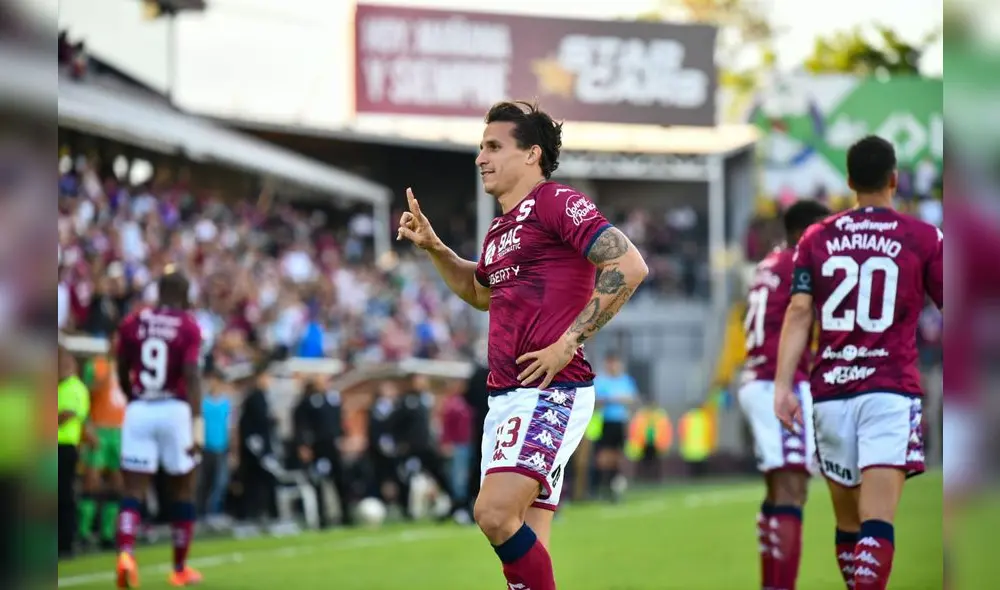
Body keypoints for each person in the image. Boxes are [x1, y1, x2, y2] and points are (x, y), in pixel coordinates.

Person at [396, 100, 648, 589]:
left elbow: (628, 265)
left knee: (492, 513)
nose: (481, 157)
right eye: (479, 147)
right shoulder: (499, 230)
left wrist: (569, 340)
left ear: (532, 154)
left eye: (494, 146)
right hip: (507, 396)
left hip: (551, 389)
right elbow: (478, 293)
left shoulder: (556, 202)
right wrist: (437, 250)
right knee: (526, 540)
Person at [774, 136, 943, 590]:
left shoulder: (816, 236)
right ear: (894, 179)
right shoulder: (924, 236)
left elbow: (798, 311)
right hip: (889, 390)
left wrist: (782, 387)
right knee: (877, 523)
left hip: (831, 394)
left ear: (848, 181)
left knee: (849, 527)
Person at [737, 199, 830, 590]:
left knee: (778, 490)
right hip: (782, 383)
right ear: (807, 232)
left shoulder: (768, 264)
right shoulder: (800, 263)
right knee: (793, 489)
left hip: (756, 379)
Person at [114, 271, 204, 588]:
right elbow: (191, 375)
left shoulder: (133, 321)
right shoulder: (188, 325)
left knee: (133, 490)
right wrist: (197, 424)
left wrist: (131, 395)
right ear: (185, 294)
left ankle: (126, 553)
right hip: (175, 408)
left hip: (140, 407)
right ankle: (179, 568)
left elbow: (121, 365)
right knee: (183, 488)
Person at [78, 352, 127, 551]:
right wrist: (107, 375)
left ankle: (108, 534)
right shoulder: (95, 365)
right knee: (91, 482)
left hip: (121, 430)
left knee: (118, 484)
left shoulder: (131, 364)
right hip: (99, 428)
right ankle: (82, 533)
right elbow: (87, 392)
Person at [292, 376, 354, 527]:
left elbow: (340, 421)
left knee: (341, 481)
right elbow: (300, 426)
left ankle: (345, 515)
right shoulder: (307, 402)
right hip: (318, 448)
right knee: (319, 482)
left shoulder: (333, 400)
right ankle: (322, 518)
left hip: (334, 447)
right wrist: (303, 445)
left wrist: (344, 437)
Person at [392, 374, 457, 519]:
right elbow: (396, 424)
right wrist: (401, 443)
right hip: (412, 449)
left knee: (440, 475)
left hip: (428, 447)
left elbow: (435, 424)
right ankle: (408, 511)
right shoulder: (407, 401)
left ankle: (452, 505)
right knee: (408, 479)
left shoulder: (428, 400)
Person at [57, 345, 90, 557]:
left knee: (64, 495)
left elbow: (67, 414)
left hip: (65, 448)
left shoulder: (75, 387)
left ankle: (67, 542)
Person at [592, 352, 638, 502]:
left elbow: (631, 399)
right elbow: (597, 400)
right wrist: (614, 399)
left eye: (615, 362)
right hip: (605, 422)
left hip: (621, 422)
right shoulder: (601, 381)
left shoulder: (626, 380)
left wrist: (614, 399)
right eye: (610, 363)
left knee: (618, 456)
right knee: (604, 457)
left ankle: (614, 487)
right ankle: (603, 488)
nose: (613, 366)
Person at [197, 371, 232, 523]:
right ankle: (202, 513)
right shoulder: (203, 403)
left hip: (221, 447)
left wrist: (232, 449)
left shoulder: (226, 404)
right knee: (204, 482)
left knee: (220, 482)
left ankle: (214, 512)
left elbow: (231, 427)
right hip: (206, 448)